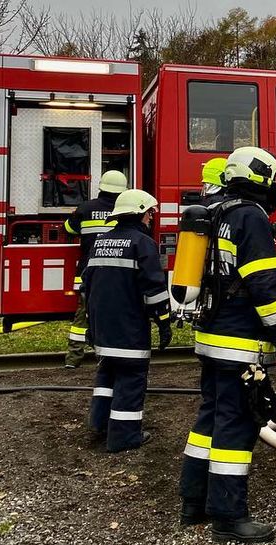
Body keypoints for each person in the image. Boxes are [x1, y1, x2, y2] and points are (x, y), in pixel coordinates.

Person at [177, 146, 276, 544]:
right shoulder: (250, 216)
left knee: (208, 419)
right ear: (259, 177)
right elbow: (265, 283)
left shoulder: (212, 212)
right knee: (235, 425)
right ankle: (229, 518)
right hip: (240, 341)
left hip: (210, 337)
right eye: (274, 178)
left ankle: (193, 503)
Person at [80, 189, 173, 453]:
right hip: (129, 327)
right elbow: (154, 290)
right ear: (141, 213)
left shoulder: (100, 241)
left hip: (103, 327)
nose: (151, 218)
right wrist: (164, 323)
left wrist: (90, 324)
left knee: (107, 373)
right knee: (131, 380)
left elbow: (87, 284)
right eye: (150, 213)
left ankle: (99, 423)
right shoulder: (142, 244)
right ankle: (124, 437)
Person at [63, 169, 129, 369]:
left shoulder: (86, 208)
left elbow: (68, 229)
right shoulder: (124, 212)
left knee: (81, 317)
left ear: (101, 187)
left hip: (86, 275)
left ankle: (73, 358)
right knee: (111, 315)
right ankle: (107, 356)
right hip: (114, 275)